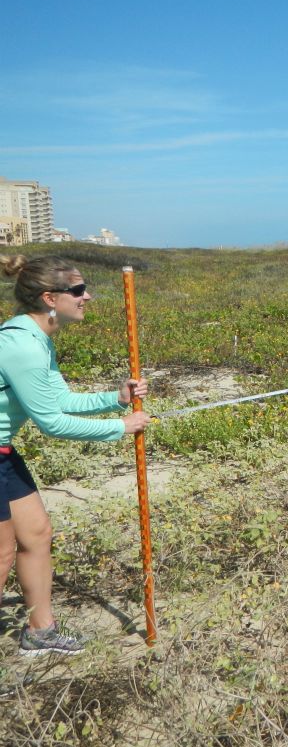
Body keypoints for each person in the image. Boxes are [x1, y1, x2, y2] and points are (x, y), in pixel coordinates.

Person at [0, 254, 151, 657]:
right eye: (79, 290)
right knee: (2, 554)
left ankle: (41, 631)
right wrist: (120, 427)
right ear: (50, 298)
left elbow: (60, 400)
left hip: (3, 452)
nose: (88, 297)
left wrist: (116, 400)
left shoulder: (37, 339)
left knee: (36, 534)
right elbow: (52, 422)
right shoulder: (22, 345)